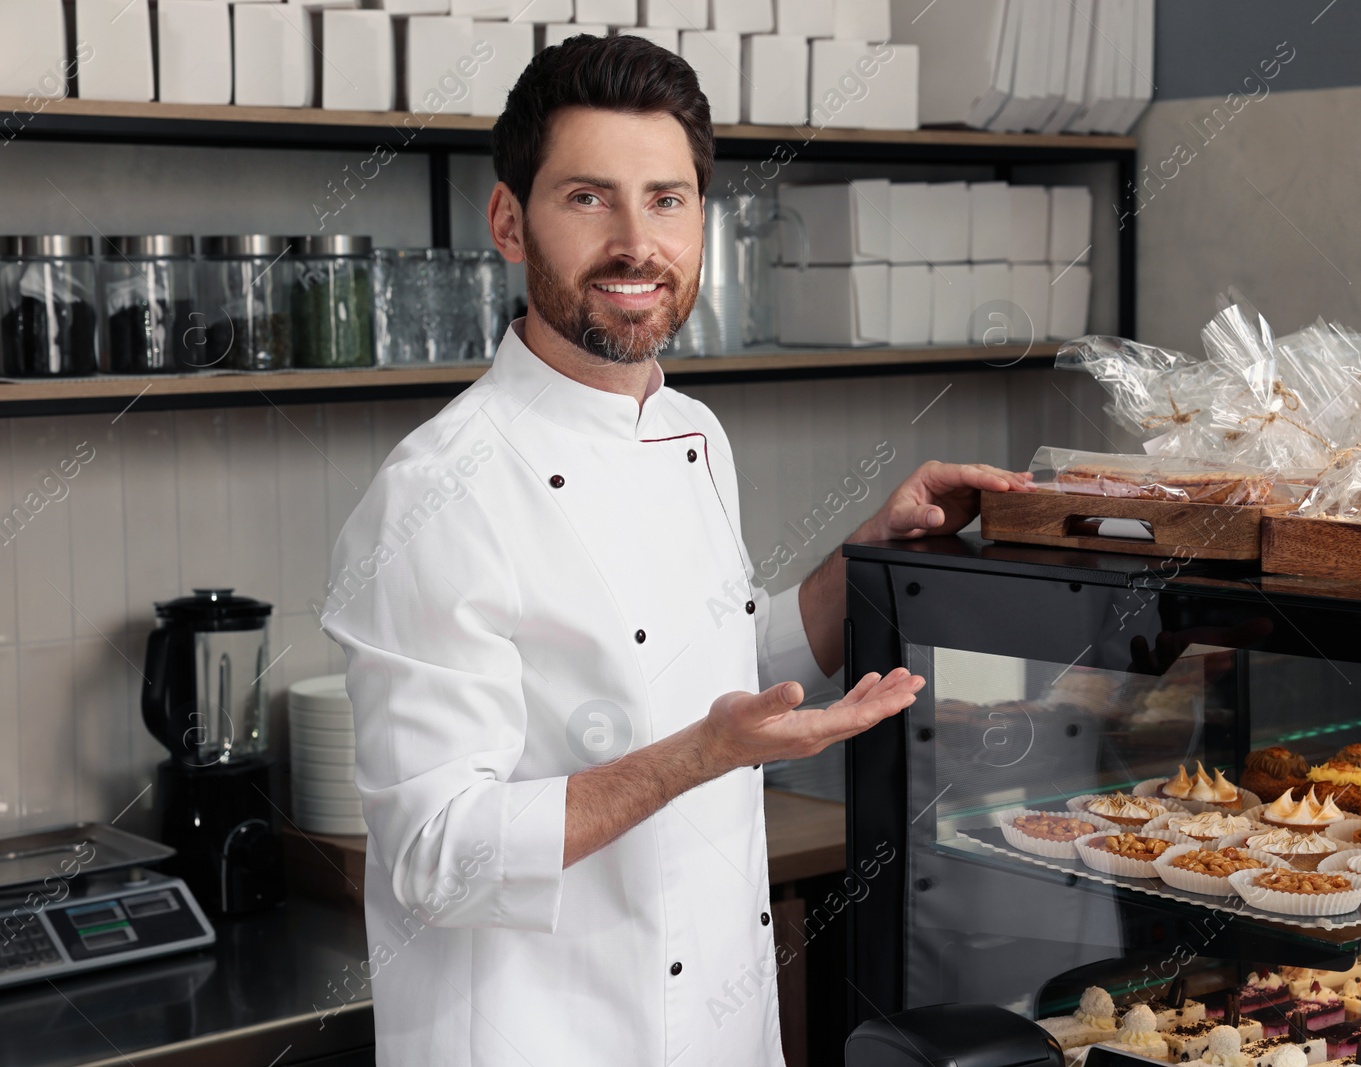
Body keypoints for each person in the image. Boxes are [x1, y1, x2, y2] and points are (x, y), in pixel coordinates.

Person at [321, 33, 1028, 1066]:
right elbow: (436, 855)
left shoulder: (693, 430)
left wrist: (869, 553)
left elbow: (711, 663)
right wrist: (703, 755)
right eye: (587, 198)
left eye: (666, 199)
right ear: (508, 221)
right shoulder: (438, 490)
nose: (634, 241)